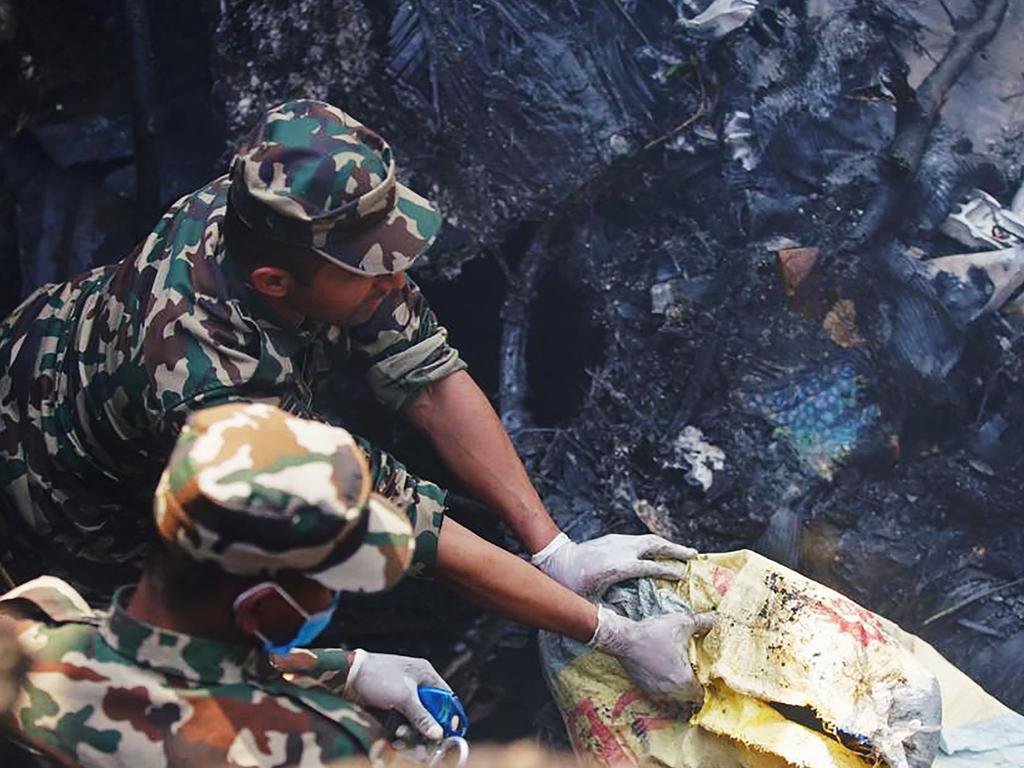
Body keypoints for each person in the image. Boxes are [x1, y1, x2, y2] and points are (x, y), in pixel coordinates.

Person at [0, 403, 710, 766]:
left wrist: (342, 668)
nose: (339, 598)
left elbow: (163, 682)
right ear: (266, 606)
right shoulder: (313, 747)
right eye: (331, 582)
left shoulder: (32, 630)